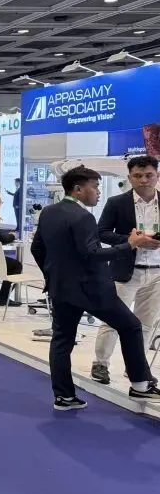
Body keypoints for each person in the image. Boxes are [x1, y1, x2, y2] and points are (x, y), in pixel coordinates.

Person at [31, 166, 160, 410]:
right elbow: (92, 254)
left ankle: (64, 397)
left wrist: (53, 275)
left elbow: (37, 248)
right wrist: (130, 244)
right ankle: (141, 385)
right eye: (95, 186)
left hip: (62, 287)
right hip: (92, 289)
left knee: (62, 340)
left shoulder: (49, 211)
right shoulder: (83, 217)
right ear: (78, 189)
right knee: (132, 326)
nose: (98, 192)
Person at [92, 155, 160, 384]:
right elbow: (101, 232)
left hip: (157, 271)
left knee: (146, 323)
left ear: (157, 176)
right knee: (112, 319)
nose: (144, 180)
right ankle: (100, 364)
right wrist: (131, 241)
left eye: (149, 175)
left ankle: (136, 368)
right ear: (130, 178)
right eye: (138, 176)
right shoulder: (116, 203)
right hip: (125, 270)